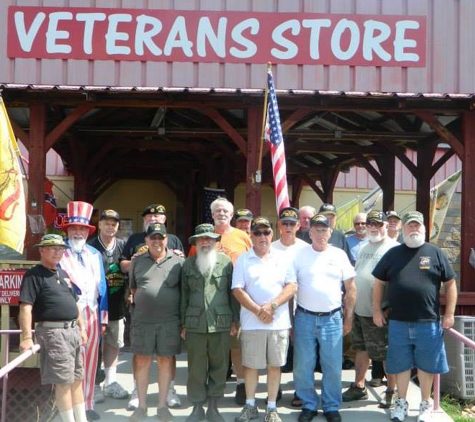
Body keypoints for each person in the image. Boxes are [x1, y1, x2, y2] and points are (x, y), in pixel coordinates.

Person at [372, 211, 457, 422]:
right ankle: (401, 402)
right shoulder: (393, 254)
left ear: (424, 228)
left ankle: (425, 404)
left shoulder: (435, 252)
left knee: (427, 366)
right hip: (398, 321)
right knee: (400, 364)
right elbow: (378, 284)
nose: (414, 229)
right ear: (403, 229)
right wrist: (376, 310)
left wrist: (450, 314)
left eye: (417, 225)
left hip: (428, 322)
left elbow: (450, 284)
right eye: (410, 225)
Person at [288, 214, 356, 422]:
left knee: (333, 366)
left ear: (330, 232)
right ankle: (308, 405)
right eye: (316, 230)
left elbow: (351, 289)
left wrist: (348, 318)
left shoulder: (339, 255)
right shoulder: (299, 255)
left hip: (332, 319)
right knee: (302, 366)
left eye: (323, 230)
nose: (320, 233)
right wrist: (290, 322)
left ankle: (331, 406)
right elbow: (290, 288)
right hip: (304, 317)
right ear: (310, 233)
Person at [189, 197, 252, 405]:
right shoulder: (202, 237)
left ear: (232, 215)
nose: (222, 213)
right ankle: (209, 386)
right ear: (212, 214)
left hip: (237, 298)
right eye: (218, 211)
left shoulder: (242, 236)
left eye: (225, 211)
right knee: (210, 349)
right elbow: (191, 266)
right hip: (209, 303)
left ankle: (242, 384)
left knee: (236, 345)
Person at [120, 203, 183, 411]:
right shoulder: (137, 261)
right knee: (142, 360)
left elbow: (184, 292)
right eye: (152, 238)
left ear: (167, 239)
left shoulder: (178, 262)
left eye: (160, 238)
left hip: (169, 321)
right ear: (146, 240)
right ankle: (142, 405)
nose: (157, 241)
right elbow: (134, 289)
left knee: (166, 361)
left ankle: (163, 406)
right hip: (143, 321)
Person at [232, 217, 297, 422]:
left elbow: (291, 286)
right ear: (251, 235)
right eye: (257, 232)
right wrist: (258, 310)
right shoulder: (243, 259)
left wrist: (272, 306)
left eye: (266, 232)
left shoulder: (283, 258)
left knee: (274, 366)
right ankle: (250, 406)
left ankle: (271, 408)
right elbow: (237, 289)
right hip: (252, 322)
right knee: (251, 366)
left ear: (272, 234)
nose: (262, 236)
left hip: (278, 323)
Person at [19, 234, 89, 422]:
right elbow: (26, 307)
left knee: (76, 379)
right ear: (42, 250)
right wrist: (26, 337)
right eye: (52, 248)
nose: (58, 252)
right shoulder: (34, 275)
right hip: (54, 333)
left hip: (72, 331)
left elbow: (75, 303)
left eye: (60, 249)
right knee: (63, 382)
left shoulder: (62, 273)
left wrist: (82, 328)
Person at [180, 223, 239, 422]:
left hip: (221, 322)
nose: (206, 242)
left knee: (219, 366)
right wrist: (182, 323)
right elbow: (184, 295)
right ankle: (197, 407)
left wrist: (235, 319)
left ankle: (214, 406)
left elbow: (233, 293)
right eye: (202, 238)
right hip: (194, 323)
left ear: (215, 241)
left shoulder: (226, 263)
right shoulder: (188, 264)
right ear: (196, 242)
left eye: (209, 238)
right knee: (195, 367)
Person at [341, 210, 398, 408]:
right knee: (360, 349)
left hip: (380, 312)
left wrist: (387, 308)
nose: (373, 227)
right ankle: (359, 386)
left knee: (385, 354)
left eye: (378, 224)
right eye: (370, 223)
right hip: (360, 309)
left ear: (386, 226)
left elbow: (396, 282)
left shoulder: (393, 249)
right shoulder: (364, 246)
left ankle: (391, 391)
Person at [59, 201, 108, 422]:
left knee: (90, 360)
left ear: (87, 232)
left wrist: (103, 317)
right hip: (69, 315)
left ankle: (87, 404)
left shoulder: (95, 254)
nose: (77, 232)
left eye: (82, 229)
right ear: (67, 230)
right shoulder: (59, 253)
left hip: (93, 313)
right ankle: (68, 406)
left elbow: (103, 287)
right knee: (70, 361)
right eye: (73, 228)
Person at [88, 209, 128, 401]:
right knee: (94, 345)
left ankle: (110, 382)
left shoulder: (123, 246)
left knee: (113, 344)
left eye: (114, 224)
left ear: (117, 226)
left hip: (117, 304)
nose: (110, 227)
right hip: (95, 307)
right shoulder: (90, 246)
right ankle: (94, 384)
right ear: (100, 224)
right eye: (107, 223)